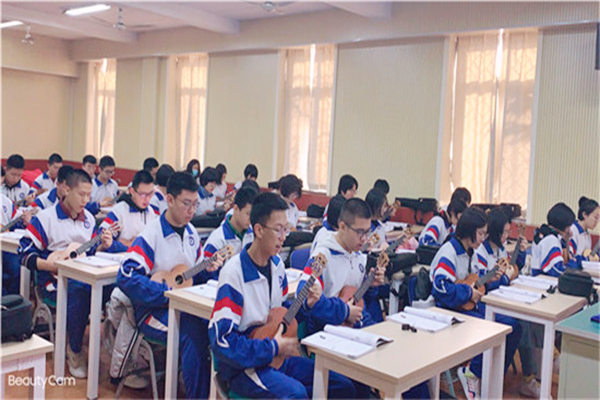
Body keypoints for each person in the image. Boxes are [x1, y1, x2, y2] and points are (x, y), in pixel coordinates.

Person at [209, 192, 357, 399]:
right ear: (259, 230)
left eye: (286, 229)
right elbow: (222, 341)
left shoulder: (277, 266)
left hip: (276, 357)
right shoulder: (234, 273)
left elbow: (282, 316)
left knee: (341, 386)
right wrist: (271, 347)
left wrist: (307, 305)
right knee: (296, 394)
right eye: (278, 229)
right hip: (244, 366)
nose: (284, 236)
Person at [117, 171, 224, 399]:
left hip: (183, 308)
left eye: (195, 204)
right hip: (152, 312)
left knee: (216, 327)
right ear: (170, 199)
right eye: (186, 204)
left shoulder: (192, 233)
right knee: (193, 333)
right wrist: (166, 294)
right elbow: (126, 276)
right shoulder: (152, 234)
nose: (191, 211)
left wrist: (207, 270)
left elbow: (192, 276)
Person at [19, 169, 120, 378]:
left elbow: (89, 252)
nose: (86, 200)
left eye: (89, 195)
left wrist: (102, 246)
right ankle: (74, 349)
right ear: (66, 190)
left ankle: (118, 348)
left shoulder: (89, 219)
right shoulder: (45, 218)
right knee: (80, 290)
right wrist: (52, 265)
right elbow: (24, 253)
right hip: (53, 281)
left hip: (85, 276)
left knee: (118, 288)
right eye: (81, 194)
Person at [429, 207, 521, 400]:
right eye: (480, 233)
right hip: (448, 309)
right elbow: (442, 289)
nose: (483, 238)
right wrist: (469, 292)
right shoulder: (450, 252)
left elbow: (473, 281)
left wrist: (488, 280)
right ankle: (472, 372)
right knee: (492, 328)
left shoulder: (469, 251)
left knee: (513, 326)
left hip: (465, 305)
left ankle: (491, 375)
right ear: (469, 231)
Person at [99, 170, 159, 251]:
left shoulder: (150, 212)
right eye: (143, 195)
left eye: (150, 194)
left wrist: (130, 243)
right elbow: (103, 239)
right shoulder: (119, 211)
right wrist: (129, 246)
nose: (147, 199)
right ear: (132, 191)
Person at [204, 186, 257, 259]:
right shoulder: (217, 240)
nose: (251, 219)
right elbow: (206, 265)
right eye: (248, 214)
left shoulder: (253, 235)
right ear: (236, 209)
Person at [531, 203, 577, 276]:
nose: (569, 230)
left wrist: (565, 241)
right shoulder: (551, 240)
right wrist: (573, 264)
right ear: (562, 225)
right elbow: (557, 270)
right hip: (542, 279)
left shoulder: (545, 234)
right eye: (568, 226)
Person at [569, 196, 600, 262]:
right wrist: (587, 259)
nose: (597, 221)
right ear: (584, 214)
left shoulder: (587, 235)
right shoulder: (572, 231)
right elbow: (569, 258)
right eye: (595, 217)